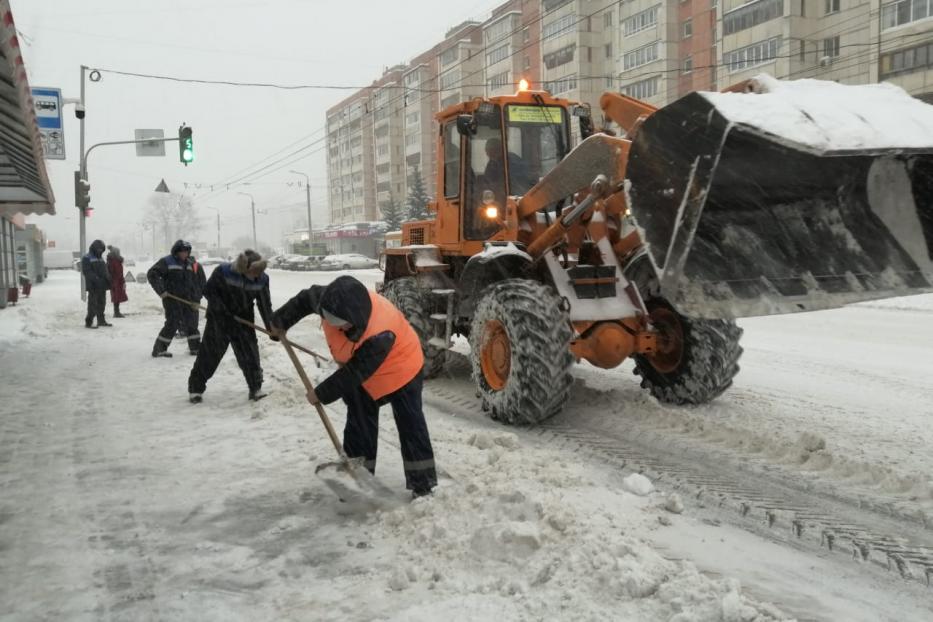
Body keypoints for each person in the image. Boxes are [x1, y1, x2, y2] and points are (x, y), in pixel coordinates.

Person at [271, 275, 437, 498]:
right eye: (328, 319)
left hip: (403, 367)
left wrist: (319, 394)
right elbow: (304, 299)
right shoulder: (332, 300)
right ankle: (359, 477)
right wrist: (279, 322)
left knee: (410, 422)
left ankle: (422, 483)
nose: (332, 325)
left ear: (354, 318)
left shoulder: (380, 332)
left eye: (340, 323)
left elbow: (353, 374)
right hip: (363, 369)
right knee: (359, 419)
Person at [188, 250, 273, 403]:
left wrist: (271, 327)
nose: (256, 277)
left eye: (259, 273)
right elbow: (209, 291)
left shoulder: (262, 279)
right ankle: (196, 388)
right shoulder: (223, 271)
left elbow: (265, 304)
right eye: (254, 272)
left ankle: (255, 388)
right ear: (244, 268)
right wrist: (221, 309)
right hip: (219, 319)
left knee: (250, 355)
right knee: (210, 354)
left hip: (244, 319)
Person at [147, 240, 206, 357]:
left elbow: (200, 283)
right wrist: (162, 291)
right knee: (172, 323)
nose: (185, 254)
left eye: (187, 251)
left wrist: (197, 299)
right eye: (182, 252)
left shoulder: (192, 264)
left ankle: (195, 348)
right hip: (172, 299)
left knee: (192, 325)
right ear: (176, 252)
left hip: (189, 300)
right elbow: (152, 274)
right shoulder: (167, 262)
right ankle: (159, 349)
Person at [81, 239, 112, 329]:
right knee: (92, 304)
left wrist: (108, 278)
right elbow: (87, 271)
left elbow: (104, 270)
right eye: (99, 249)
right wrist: (96, 279)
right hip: (93, 286)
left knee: (102, 304)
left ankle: (101, 321)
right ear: (94, 248)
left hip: (102, 285)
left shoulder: (100, 258)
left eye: (102, 249)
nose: (100, 251)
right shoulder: (87, 257)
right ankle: (89, 322)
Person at [106, 245, 127, 318]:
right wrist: (112, 280)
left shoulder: (117, 260)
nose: (119, 253)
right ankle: (116, 312)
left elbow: (120, 271)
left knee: (118, 296)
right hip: (115, 281)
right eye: (118, 252)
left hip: (119, 280)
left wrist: (123, 280)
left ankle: (117, 312)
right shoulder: (112, 261)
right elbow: (111, 271)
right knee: (116, 296)